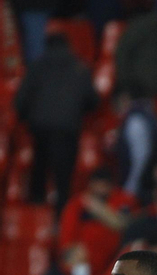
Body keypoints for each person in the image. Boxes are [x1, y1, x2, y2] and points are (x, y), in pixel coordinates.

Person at [14, 32, 96, 208]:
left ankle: (36, 213)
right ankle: (61, 217)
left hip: (40, 128)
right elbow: (92, 101)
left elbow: (21, 101)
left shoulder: (36, 66)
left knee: (39, 169)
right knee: (63, 176)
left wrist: (26, 120)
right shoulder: (79, 67)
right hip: (68, 129)